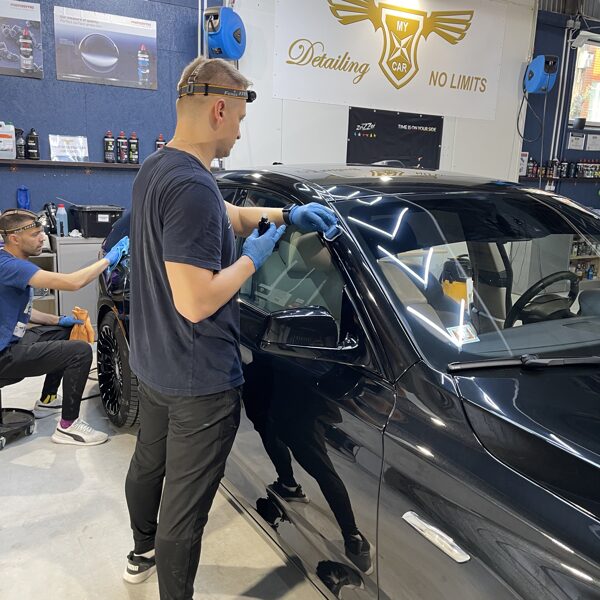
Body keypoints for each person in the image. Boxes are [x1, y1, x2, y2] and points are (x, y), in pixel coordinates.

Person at [124, 56, 339, 599]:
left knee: (148, 464)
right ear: (220, 109)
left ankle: (139, 550)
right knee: (185, 515)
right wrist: (251, 260)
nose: (239, 134)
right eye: (240, 120)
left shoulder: (158, 168)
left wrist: (287, 217)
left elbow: (229, 214)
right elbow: (196, 302)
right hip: (198, 380)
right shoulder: (192, 186)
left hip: (154, 362)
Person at [0, 208, 129, 445]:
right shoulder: (12, 267)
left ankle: (47, 400)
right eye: (35, 234)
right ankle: (67, 427)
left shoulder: (6, 259)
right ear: (14, 239)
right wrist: (108, 260)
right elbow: (73, 282)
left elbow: (21, 312)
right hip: (4, 357)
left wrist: (59, 320)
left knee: (65, 332)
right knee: (80, 351)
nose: (43, 238)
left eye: (42, 232)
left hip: (10, 341)